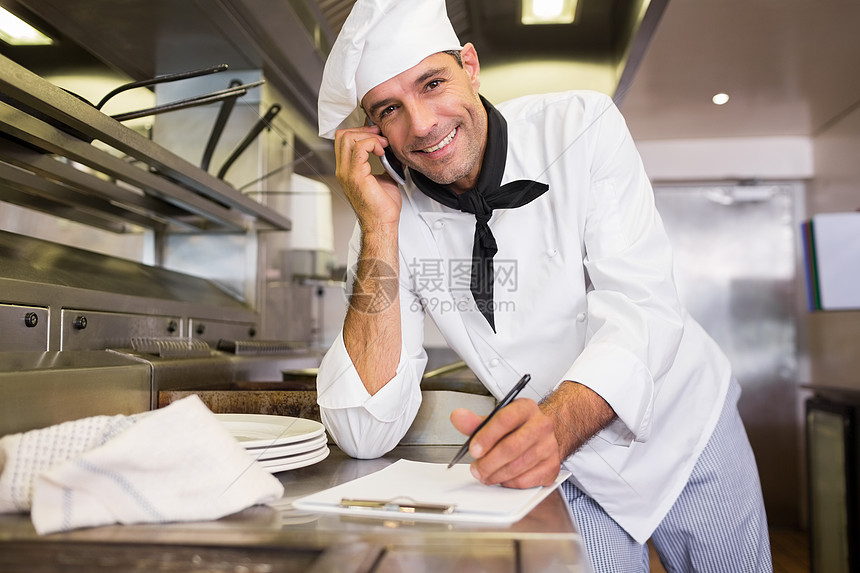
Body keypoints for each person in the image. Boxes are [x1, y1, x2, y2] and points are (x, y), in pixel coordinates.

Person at [314, 1, 772, 571]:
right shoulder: (383, 222)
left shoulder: (581, 125)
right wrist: (378, 225)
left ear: (471, 66)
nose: (423, 124)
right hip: (561, 465)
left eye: (432, 83)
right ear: (374, 131)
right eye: (391, 109)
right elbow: (363, 432)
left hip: (685, 425)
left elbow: (643, 306)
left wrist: (555, 425)